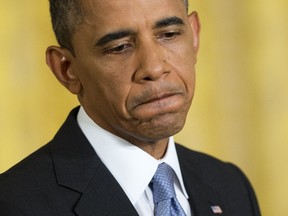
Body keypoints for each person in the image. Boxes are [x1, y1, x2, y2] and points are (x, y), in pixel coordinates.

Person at [0, 0, 261, 215]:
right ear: (66, 69)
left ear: (193, 36)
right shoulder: (14, 205)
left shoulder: (230, 186)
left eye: (169, 34)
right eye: (119, 47)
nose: (155, 68)